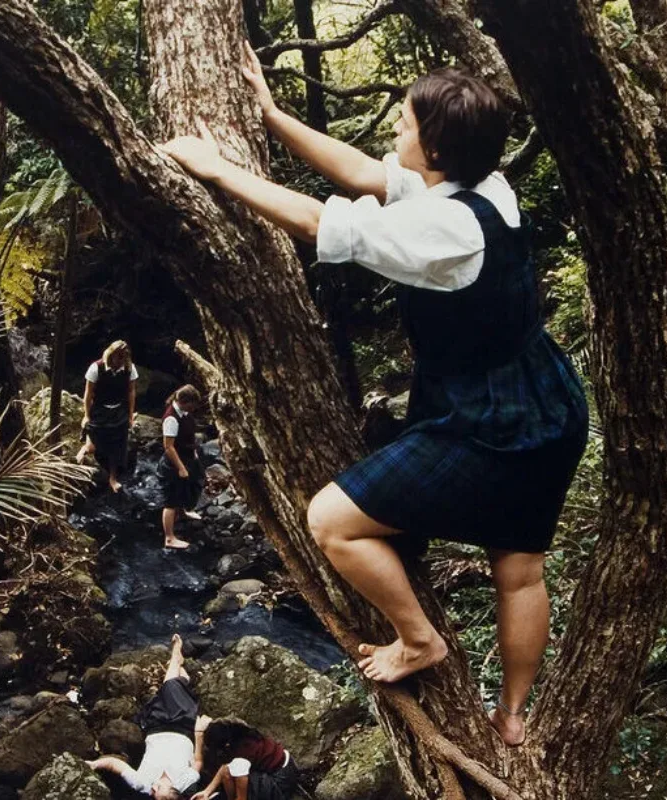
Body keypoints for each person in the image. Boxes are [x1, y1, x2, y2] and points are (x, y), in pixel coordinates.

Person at [159, 49, 590, 747]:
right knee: (519, 569)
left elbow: (314, 223)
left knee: (332, 520)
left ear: (439, 146)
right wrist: (271, 117)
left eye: (406, 122)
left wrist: (218, 170)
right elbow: (364, 173)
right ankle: (512, 718)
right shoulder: (483, 185)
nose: (394, 129)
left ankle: (418, 640)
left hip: (490, 423)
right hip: (547, 399)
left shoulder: (445, 231)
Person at [87, 634, 205, 800]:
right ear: (175, 791)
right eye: (159, 790)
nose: (153, 788)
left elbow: (115, 765)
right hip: (183, 727)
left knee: (169, 688)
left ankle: (177, 662)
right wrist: (199, 734)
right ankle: (178, 665)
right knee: (170, 687)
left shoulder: (142, 784)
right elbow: (198, 763)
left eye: (153, 794)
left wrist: (94, 764)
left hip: (156, 726)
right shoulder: (184, 782)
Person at [78, 340, 140, 492]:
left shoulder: (129, 368)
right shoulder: (96, 368)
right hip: (100, 409)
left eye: (124, 360)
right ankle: (86, 447)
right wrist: (86, 415)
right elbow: (88, 394)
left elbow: (131, 392)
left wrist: (131, 416)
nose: (120, 363)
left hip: (119, 411)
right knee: (93, 447)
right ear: (112, 356)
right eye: (118, 359)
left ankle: (112, 478)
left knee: (117, 448)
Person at [189, 718, 298, 800]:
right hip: (274, 767)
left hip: (281, 780)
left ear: (225, 746)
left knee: (233, 775)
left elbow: (241, 786)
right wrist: (207, 791)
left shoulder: (242, 754)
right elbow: (225, 767)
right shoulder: (235, 734)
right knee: (228, 772)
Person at [160, 384, 206, 550]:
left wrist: (193, 454)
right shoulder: (171, 418)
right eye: (192, 405)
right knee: (170, 499)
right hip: (173, 462)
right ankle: (169, 537)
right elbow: (169, 447)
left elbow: (189, 436)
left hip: (187, 456)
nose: (194, 408)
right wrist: (181, 467)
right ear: (184, 402)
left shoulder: (185, 413)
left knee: (189, 485)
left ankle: (183, 511)